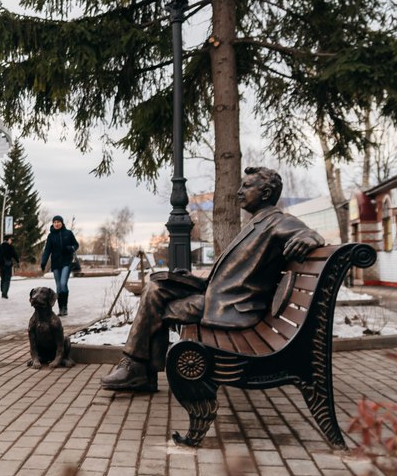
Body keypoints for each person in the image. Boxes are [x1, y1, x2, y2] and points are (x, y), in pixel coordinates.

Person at [101, 167, 325, 394]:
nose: (239, 191)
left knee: (157, 300)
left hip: (234, 308)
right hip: (221, 298)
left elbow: (308, 234)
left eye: (246, 186)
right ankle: (138, 369)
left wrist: (308, 239)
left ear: (265, 194)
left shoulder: (276, 222)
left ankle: (137, 369)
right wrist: (194, 281)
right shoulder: (257, 223)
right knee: (157, 285)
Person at [39, 215, 79, 316]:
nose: (56, 224)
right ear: (53, 224)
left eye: (58, 222)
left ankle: (65, 307)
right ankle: (61, 309)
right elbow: (47, 250)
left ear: (62, 223)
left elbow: (76, 245)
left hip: (67, 262)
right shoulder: (51, 236)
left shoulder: (68, 233)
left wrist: (70, 248)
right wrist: (43, 262)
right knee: (58, 286)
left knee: (63, 283)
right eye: (55, 222)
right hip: (56, 263)